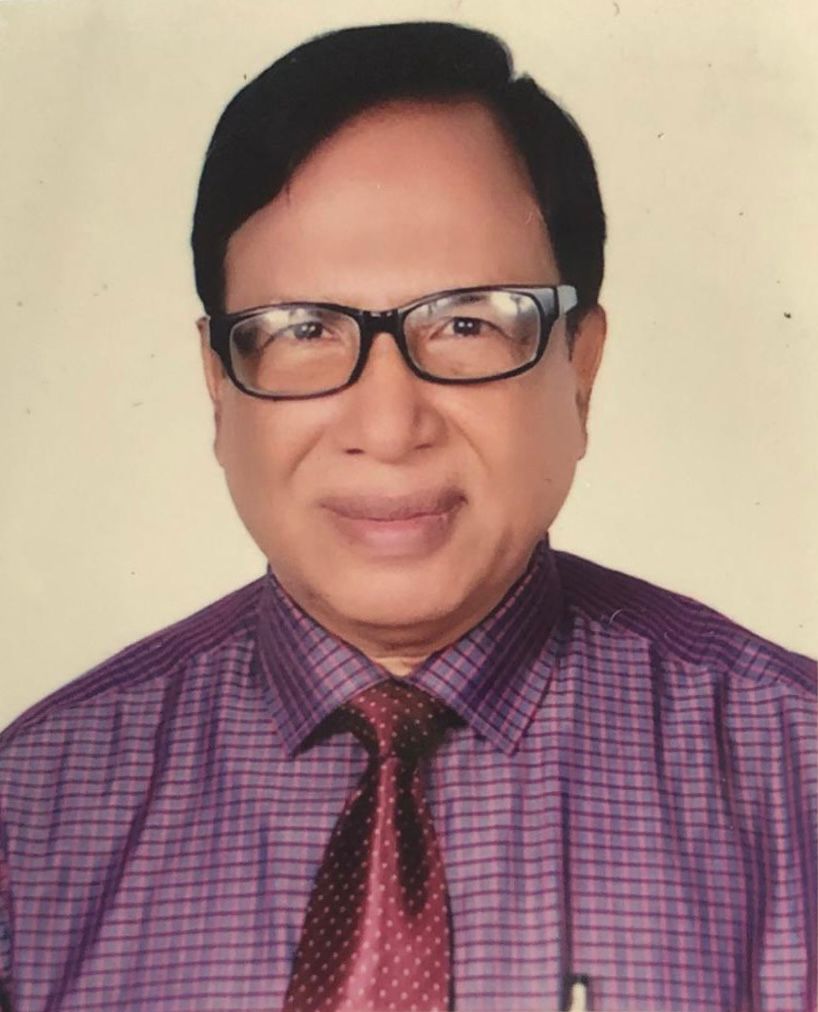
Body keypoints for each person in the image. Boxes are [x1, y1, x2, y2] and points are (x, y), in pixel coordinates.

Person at [0, 20, 814, 1012]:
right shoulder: (31, 816)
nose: (388, 427)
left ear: (580, 368)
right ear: (218, 384)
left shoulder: (795, 777)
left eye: (467, 322)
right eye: (303, 329)